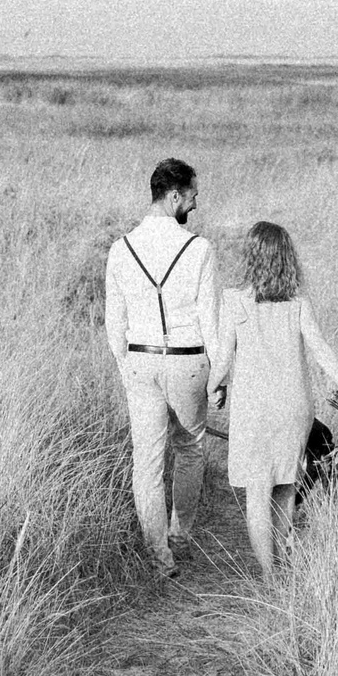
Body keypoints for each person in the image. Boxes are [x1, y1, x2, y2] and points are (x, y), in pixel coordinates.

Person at [211, 220, 338, 580]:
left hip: (254, 409)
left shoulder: (233, 300)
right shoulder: (298, 303)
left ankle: (269, 574)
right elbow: (321, 350)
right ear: (286, 258)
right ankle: (283, 564)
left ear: (251, 256)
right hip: (295, 407)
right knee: (286, 488)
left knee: (257, 494)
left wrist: (212, 387)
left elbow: (223, 359)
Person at [104, 158, 220, 579]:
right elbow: (211, 322)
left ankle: (159, 557)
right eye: (192, 196)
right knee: (190, 449)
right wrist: (219, 376)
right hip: (188, 361)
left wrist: (126, 367)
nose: (195, 204)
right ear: (173, 197)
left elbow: (113, 324)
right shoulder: (199, 249)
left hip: (139, 358)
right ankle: (180, 537)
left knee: (147, 462)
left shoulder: (121, 249)